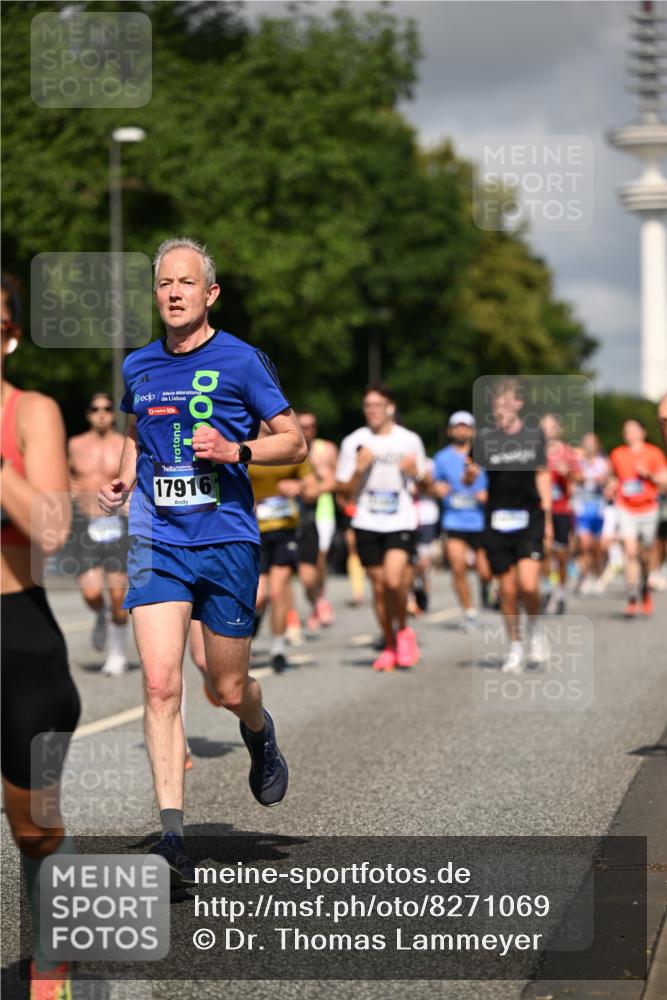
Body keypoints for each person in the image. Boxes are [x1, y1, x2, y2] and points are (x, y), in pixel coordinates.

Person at [98, 238, 305, 884]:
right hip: (158, 537)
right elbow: (142, 434)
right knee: (161, 685)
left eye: (186, 283)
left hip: (226, 538)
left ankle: (257, 728)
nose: (174, 293)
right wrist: (127, 477)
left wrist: (237, 451)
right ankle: (171, 837)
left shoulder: (242, 361)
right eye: (164, 284)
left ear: (209, 293)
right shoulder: (138, 366)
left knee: (224, 688)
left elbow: (292, 440)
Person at [1, 275, 81, 999]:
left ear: (10, 335)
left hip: (16, 631)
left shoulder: (32, 413)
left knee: (33, 828)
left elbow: (54, 534)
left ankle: (53, 954)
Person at [335, 384, 426, 671]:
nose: (372, 410)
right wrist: (359, 469)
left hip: (400, 519)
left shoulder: (409, 440)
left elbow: (427, 485)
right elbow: (343, 490)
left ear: (390, 408)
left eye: (377, 405)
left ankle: (402, 630)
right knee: (378, 587)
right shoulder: (354, 442)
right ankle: (388, 643)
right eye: (367, 406)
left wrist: (416, 473)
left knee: (394, 581)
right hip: (367, 520)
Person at [475, 378, 553, 673]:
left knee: (529, 585)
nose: (501, 408)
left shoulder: (534, 437)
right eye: (497, 403)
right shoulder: (484, 439)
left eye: (508, 402)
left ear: (519, 404)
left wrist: (546, 518)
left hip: (529, 517)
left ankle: (534, 630)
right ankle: (515, 646)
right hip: (496, 520)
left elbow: (543, 474)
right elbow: (473, 475)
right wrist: (470, 478)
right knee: (507, 592)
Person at [67, 392, 130, 674]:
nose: (102, 413)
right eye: (95, 409)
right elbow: (65, 476)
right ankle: (100, 615)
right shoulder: (75, 444)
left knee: (118, 595)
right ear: (88, 414)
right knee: (92, 593)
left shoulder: (124, 444)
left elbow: (138, 475)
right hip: (86, 525)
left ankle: (116, 654)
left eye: (107, 408)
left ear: (113, 414)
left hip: (117, 524)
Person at [248, 435, 319, 672]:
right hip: (253, 530)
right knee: (258, 596)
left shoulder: (291, 444)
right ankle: (255, 620)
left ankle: (278, 648)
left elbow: (314, 488)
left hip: (285, 530)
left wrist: (299, 487)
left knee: (278, 591)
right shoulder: (241, 439)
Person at [432, 411, 490, 630]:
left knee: (486, 572)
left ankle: (487, 587)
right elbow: (433, 484)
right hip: (454, 520)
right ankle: (469, 612)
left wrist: (487, 496)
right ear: (450, 430)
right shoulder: (442, 458)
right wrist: (438, 489)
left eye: (466, 426)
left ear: (473, 431)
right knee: (458, 566)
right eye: (457, 426)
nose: (461, 430)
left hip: (480, 520)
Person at [609, 418, 667, 617]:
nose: (629, 433)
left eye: (633, 429)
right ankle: (632, 597)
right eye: (626, 430)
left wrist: (649, 474)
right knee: (630, 551)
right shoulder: (617, 454)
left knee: (645, 555)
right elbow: (613, 477)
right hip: (626, 508)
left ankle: (644, 586)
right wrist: (610, 485)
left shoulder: (654, 453)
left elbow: (665, 481)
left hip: (649, 509)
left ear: (643, 432)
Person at [297, 412, 338, 629]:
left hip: (322, 511)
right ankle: (314, 602)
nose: (307, 430)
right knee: (303, 570)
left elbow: (335, 481)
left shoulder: (326, 450)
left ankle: (320, 598)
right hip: (295, 513)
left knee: (319, 559)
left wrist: (315, 488)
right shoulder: (289, 446)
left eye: (311, 426)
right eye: (302, 426)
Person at [540, 413, 579, 615]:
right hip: (540, 509)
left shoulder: (567, 452)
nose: (547, 430)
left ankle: (561, 592)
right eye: (543, 426)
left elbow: (580, 479)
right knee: (544, 550)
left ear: (559, 429)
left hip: (562, 509)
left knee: (561, 555)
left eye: (551, 426)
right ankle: (547, 587)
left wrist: (569, 474)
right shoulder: (534, 451)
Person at [572, 433, 610, 594]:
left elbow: (610, 481)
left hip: (599, 508)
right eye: (585, 442)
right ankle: (585, 577)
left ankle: (597, 573)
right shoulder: (577, 462)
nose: (588, 446)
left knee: (597, 547)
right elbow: (574, 477)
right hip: (582, 508)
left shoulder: (604, 462)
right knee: (584, 545)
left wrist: (605, 481)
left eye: (592, 443)